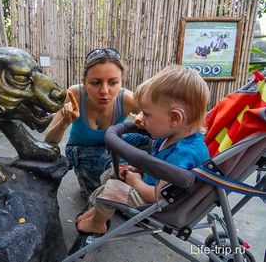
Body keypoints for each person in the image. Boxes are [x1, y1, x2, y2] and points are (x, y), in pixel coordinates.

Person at [76, 65, 211, 234]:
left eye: (147, 114)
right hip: (153, 187)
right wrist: (139, 169)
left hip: (161, 206)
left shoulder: (184, 155)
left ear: (174, 118)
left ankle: (98, 223)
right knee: (111, 174)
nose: (142, 119)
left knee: (112, 190)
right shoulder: (174, 135)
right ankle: (98, 212)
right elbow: (161, 164)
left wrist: (136, 182)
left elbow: (158, 196)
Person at [44, 48, 150, 199]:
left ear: (121, 83)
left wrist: (145, 117)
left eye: (113, 82)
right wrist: (64, 122)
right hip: (82, 148)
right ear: (84, 83)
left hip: (114, 142)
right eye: (95, 82)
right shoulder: (75, 94)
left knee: (150, 141)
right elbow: (49, 140)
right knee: (109, 181)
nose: (105, 91)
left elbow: (162, 119)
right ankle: (89, 177)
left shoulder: (127, 98)